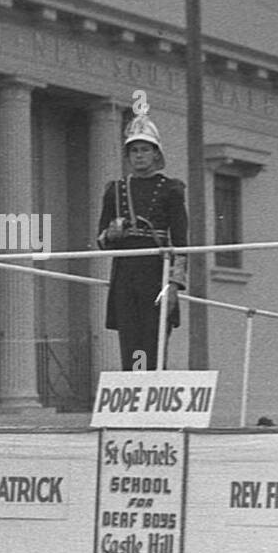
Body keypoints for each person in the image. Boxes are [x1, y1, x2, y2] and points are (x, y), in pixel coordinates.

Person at [98, 115, 187, 371]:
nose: (139, 156)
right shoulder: (115, 190)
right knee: (131, 341)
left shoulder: (171, 189)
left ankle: (152, 396)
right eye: (134, 150)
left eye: (145, 150)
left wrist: (173, 284)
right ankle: (133, 393)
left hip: (155, 271)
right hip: (126, 272)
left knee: (154, 337)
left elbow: (181, 241)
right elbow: (101, 240)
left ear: (156, 154)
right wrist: (112, 233)